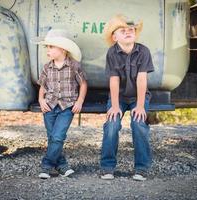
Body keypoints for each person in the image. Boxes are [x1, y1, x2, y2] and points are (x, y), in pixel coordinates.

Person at [100, 15, 154, 181]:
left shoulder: (143, 51)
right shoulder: (112, 53)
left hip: (138, 96)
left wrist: (140, 106)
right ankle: (107, 167)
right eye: (123, 30)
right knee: (112, 123)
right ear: (114, 37)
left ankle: (141, 168)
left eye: (131, 30)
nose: (128, 32)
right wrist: (115, 106)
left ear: (135, 34)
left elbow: (142, 79)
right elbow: (114, 80)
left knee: (138, 123)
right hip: (119, 97)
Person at [34, 29, 87, 179]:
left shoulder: (74, 66)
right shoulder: (46, 67)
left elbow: (83, 84)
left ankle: (46, 166)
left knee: (58, 137)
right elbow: (43, 86)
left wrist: (80, 101)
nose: (48, 50)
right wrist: (41, 100)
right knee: (52, 137)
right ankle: (62, 165)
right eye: (47, 47)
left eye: (51, 47)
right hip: (49, 106)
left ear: (62, 49)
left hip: (67, 107)